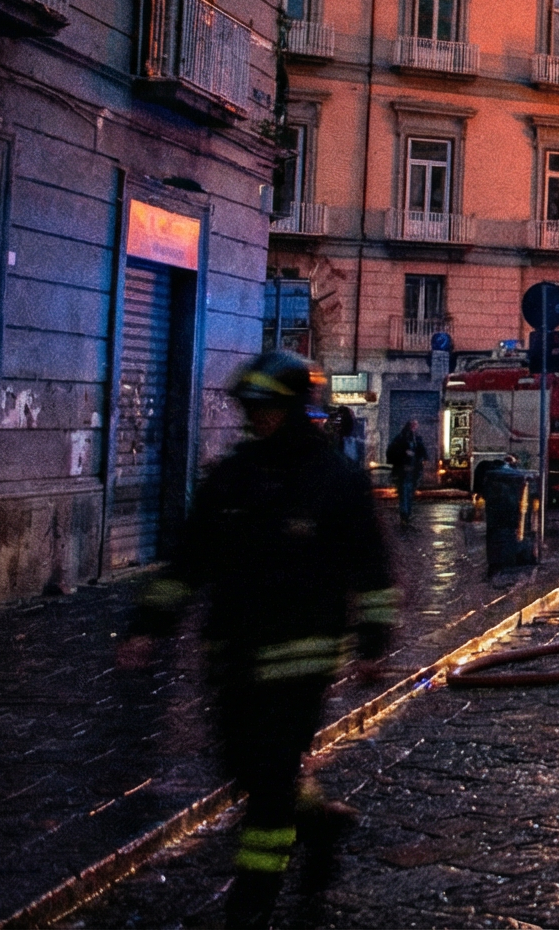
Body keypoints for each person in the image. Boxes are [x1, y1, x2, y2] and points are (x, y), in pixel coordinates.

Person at [118, 350, 398, 929]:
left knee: (268, 790)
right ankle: (320, 824)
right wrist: (148, 625)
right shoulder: (232, 477)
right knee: (244, 769)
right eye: (251, 408)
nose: (256, 418)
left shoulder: (335, 481)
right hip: (235, 657)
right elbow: (189, 560)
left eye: (267, 408)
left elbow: (371, 568)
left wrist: (373, 643)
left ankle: (252, 903)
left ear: (294, 409)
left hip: (301, 661)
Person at [385, 417, 428, 525]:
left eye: (416, 425)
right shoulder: (402, 438)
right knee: (404, 492)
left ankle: (406, 514)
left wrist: (421, 459)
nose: (415, 427)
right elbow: (393, 451)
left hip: (412, 471)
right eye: (413, 425)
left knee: (409, 493)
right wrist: (405, 455)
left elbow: (422, 451)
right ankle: (405, 515)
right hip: (403, 471)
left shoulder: (416, 438)